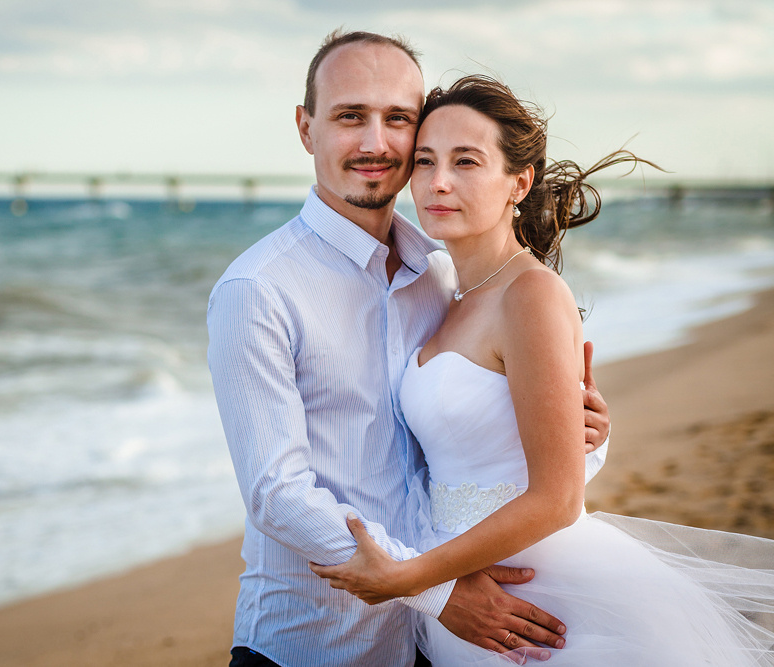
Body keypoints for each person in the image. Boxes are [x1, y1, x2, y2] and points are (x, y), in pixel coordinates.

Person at [310, 75, 774, 665]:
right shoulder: (445, 290)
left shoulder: (529, 293)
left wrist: (414, 578)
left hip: (547, 599)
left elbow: (557, 498)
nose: (438, 182)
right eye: (424, 162)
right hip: (470, 591)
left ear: (519, 181)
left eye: (466, 161)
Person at [207, 32, 611, 667]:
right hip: (312, 642)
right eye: (349, 116)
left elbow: (464, 440)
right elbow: (276, 493)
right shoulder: (259, 288)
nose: (376, 143)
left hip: (433, 644)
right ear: (305, 128)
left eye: (397, 119)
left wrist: (580, 425)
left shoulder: (441, 276)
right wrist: (434, 588)